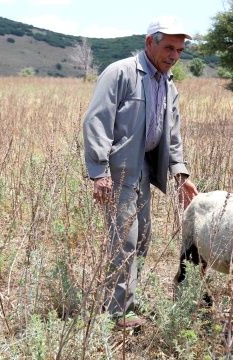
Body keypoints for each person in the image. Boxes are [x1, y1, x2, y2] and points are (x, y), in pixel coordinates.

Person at [83, 16, 198, 330]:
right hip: (119, 173)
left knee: (143, 238)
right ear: (150, 42)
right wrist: (99, 172)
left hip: (144, 172)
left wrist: (179, 174)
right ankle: (118, 314)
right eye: (169, 47)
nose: (174, 55)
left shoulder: (167, 82)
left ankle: (127, 300)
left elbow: (171, 133)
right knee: (125, 240)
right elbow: (96, 121)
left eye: (180, 50)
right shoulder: (120, 73)